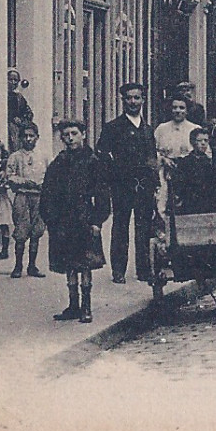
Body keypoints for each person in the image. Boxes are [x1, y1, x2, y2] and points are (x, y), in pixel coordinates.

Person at [39, 120, 111, 323]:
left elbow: (103, 194)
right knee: (69, 263)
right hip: (62, 220)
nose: (70, 138)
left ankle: (86, 306)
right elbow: (48, 192)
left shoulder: (93, 161)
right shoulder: (59, 162)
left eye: (74, 133)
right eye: (66, 135)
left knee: (85, 262)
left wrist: (98, 221)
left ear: (83, 135)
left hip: (85, 218)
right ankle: (73, 305)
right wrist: (50, 219)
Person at [98, 83, 158, 285]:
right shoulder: (113, 127)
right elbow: (103, 154)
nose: (133, 102)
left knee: (144, 227)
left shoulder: (148, 129)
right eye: (129, 98)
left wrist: (154, 182)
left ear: (143, 100)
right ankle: (118, 270)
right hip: (122, 185)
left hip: (144, 185)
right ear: (122, 100)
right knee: (120, 226)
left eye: (137, 98)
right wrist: (113, 175)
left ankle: (144, 269)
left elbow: (152, 157)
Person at [5, 120, 48, 278]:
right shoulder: (15, 157)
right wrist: (23, 181)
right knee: (21, 232)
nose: (28, 139)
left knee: (36, 231)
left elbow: (49, 176)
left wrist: (43, 185)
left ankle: (32, 265)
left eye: (31, 136)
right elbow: (9, 176)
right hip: (22, 196)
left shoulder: (43, 156)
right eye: (25, 136)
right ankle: (18, 266)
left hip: (38, 197)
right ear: (20, 138)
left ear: (37, 137)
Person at [7, 68, 35, 153]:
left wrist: (21, 121)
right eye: (10, 79)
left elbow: (28, 113)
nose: (13, 82)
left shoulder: (19, 97)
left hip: (16, 128)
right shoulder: (3, 96)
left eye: (15, 80)